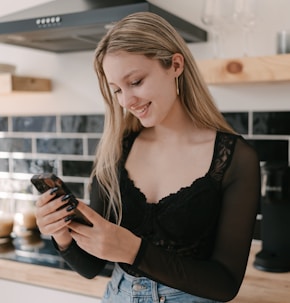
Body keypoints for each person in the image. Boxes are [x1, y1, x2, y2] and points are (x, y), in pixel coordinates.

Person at [35, 12, 260, 303]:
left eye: (136, 81)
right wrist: (61, 233)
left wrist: (133, 251)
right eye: (116, 90)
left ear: (175, 65)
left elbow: (225, 284)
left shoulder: (237, 159)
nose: (127, 102)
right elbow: (91, 267)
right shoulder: (115, 150)